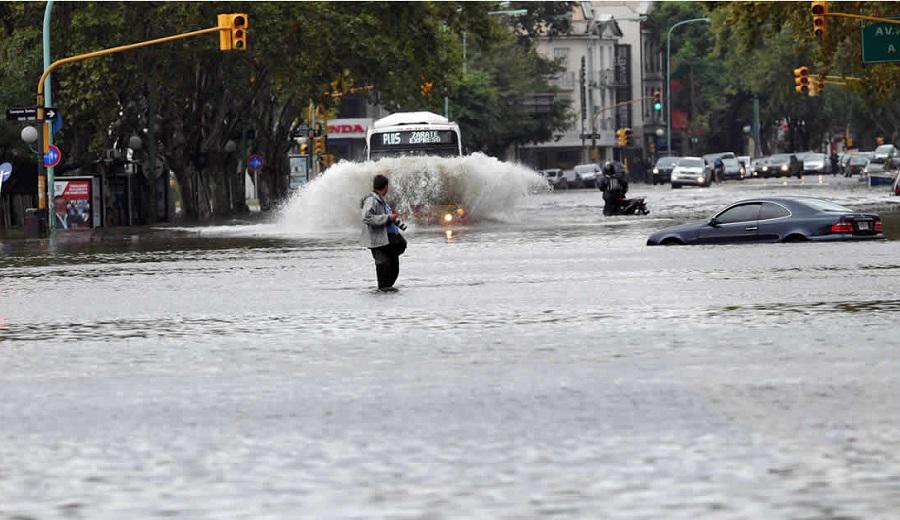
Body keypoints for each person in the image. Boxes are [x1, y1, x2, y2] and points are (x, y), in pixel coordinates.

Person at [360, 174, 407, 292]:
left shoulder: (381, 200)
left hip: (389, 241)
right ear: (385, 186)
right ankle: (383, 294)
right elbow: (367, 217)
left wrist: (397, 222)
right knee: (384, 268)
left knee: (394, 268)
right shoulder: (371, 200)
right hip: (379, 241)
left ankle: (387, 293)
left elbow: (388, 217)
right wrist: (388, 218)